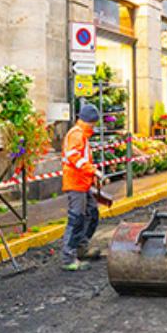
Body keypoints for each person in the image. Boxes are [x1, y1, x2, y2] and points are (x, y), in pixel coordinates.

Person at [60, 104, 102, 271]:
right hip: (76, 184)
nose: (94, 127)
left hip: (82, 183)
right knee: (76, 218)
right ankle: (68, 257)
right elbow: (74, 157)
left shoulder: (80, 135)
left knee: (91, 213)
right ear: (90, 122)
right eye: (94, 124)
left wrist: (91, 176)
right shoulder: (77, 135)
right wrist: (94, 171)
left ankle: (81, 247)